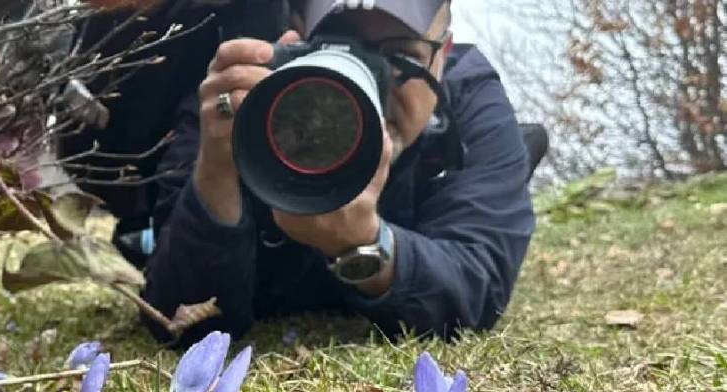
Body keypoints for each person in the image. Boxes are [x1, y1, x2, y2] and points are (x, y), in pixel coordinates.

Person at [134, 0, 541, 346]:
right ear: (294, 39)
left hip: (426, 192)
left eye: (403, 56)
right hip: (272, 275)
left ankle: (518, 153)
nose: (371, 81)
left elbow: (480, 281)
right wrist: (218, 173)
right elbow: (178, 318)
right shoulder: (241, 98)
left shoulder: (467, 96)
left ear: (443, 55)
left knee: (498, 165)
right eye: (342, 48)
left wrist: (363, 243)